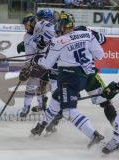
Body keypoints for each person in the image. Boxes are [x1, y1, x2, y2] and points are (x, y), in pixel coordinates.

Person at [30, 13, 105, 148]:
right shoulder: (87, 34)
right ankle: (39, 127)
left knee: (67, 111)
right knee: (55, 101)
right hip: (86, 76)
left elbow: (46, 64)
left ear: (62, 26)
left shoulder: (58, 41)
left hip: (69, 78)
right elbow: (100, 55)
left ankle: (94, 135)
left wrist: (37, 59)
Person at [18, 12, 50, 118]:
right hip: (39, 62)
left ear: (32, 23)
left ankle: (51, 106)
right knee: (33, 83)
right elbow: (29, 55)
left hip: (49, 61)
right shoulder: (26, 36)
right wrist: (26, 68)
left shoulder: (43, 30)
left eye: (26, 24)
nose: (25, 27)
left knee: (48, 85)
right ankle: (28, 107)